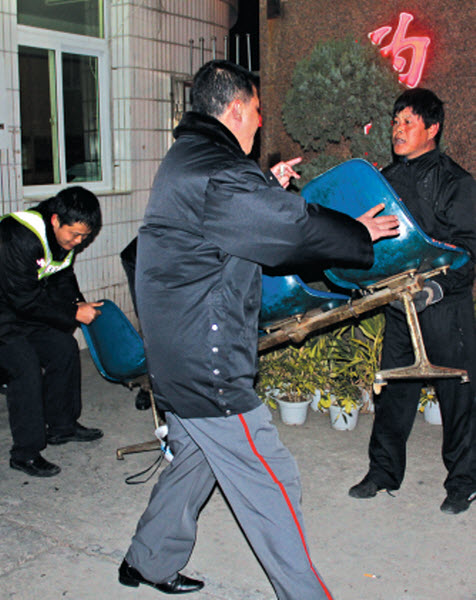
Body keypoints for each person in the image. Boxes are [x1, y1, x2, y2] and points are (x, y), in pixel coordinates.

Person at [119, 60, 399, 599]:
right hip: (205, 360)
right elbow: (287, 231)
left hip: (176, 351)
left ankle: (147, 561)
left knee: (195, 460)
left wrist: (265, 187)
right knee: (273, 480)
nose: (261, 120)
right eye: (257, 109)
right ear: (235, 109)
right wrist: (356, 231)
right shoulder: (219, 172)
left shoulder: (190, 158)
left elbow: (227, 220)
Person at [349, 88, 476, 515]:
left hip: (444, 305)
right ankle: (383, 472)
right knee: (394, 390)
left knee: (458, 394)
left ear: (432, 128)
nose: (397, 130)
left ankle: (464, 482)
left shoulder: (457, 183)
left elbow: (470, 250)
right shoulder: (384, 181)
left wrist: (438, 288)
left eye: (408, 122)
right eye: (395, 122)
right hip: (400, 304)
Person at [0, 186, 104, 478]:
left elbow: (61, 276)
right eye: (75, 234)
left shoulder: (63, 238)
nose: (78, 242)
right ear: (56, 220)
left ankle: (62, 426)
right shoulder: (17, 236)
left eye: (85, 237)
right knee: (25, 367)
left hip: (20, 307)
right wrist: (72, 313)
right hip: (8, 309)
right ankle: (25, 454)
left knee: (63, 348)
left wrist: (77, 302)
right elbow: (24, 299)